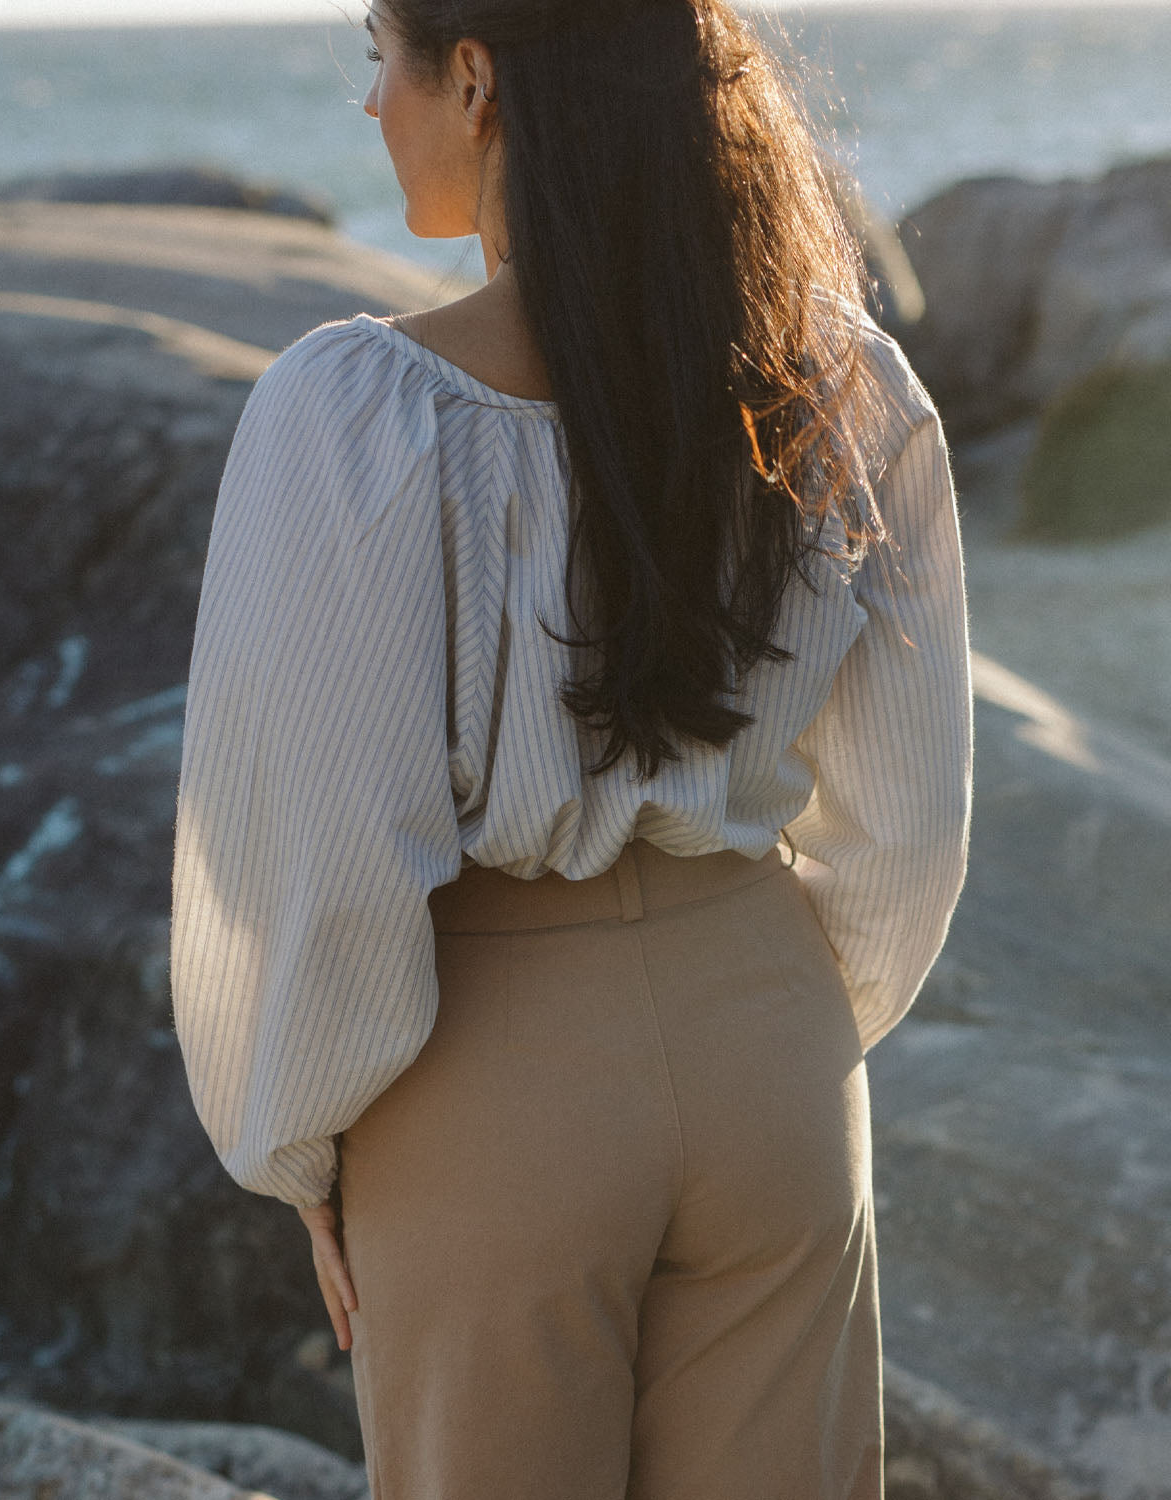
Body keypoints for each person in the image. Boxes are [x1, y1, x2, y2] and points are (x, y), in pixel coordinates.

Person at [171, 0, 972, 1495]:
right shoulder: (844, 387)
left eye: (377, 56)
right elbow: (910, 819)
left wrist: (300, 1140)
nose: (367, 104)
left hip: (492, 1079)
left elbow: (324, 847)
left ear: (472, 78)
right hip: (774, 1056)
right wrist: (775, 1024)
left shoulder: (354, 418)